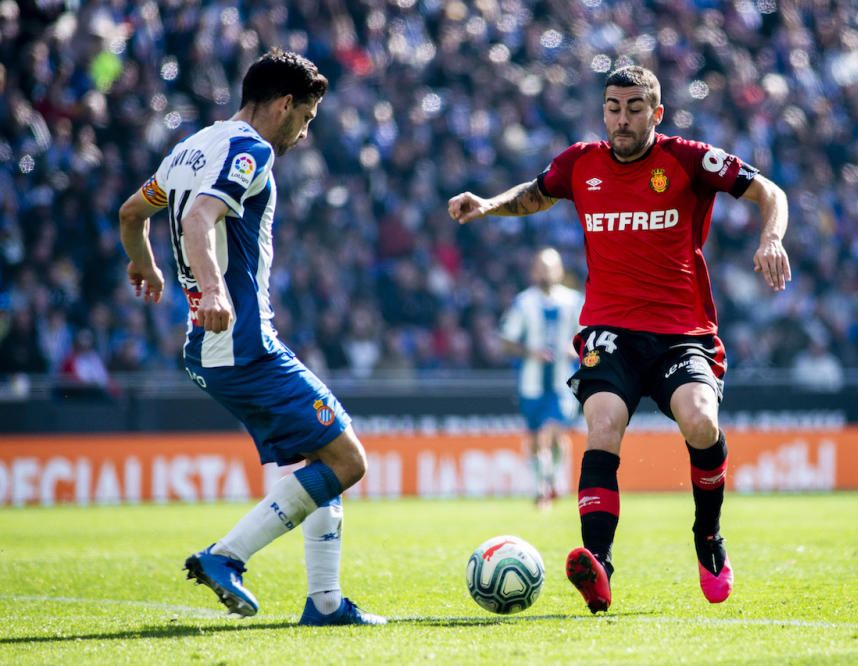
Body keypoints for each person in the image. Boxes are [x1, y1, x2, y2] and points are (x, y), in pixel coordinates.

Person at [449, 65, 791, 613]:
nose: (622, 118)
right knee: (603, 423)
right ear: (603, 110)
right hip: (609, 328)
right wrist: (489, 204)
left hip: (682, 332)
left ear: (656, 113)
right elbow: (535, 195)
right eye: (613, 107)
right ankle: (598, 566)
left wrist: (771, 238)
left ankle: (708, 537)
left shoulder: (687, 159)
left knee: (701, 420)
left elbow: (768, 191)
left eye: (635, 108)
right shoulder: (579, 163)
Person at [117, 49, 385, 626]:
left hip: (212, 346)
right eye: (307, 118)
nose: (305, 133)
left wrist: (143, 264)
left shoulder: (189, 149)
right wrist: (212, 289)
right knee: (348, 459)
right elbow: (197, 220)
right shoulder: (252, 150)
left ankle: (326, 604)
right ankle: (226, 556)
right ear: (285, 104)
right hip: (239, 341)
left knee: (325, 455)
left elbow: (130, 213)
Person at [499, 248, 584, 508]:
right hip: (531, 383)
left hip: (563, 383)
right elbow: (507, 341)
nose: (546, 272)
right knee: (539, 439)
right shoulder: (523, 302)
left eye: (550, 267)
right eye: (541, 267)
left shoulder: (574, 301)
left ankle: (543, 489)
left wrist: (574, 348)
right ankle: (546, 485)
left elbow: (587, 337)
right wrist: (530, 352)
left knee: (550, 433)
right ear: (534, 271)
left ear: (559, 270)